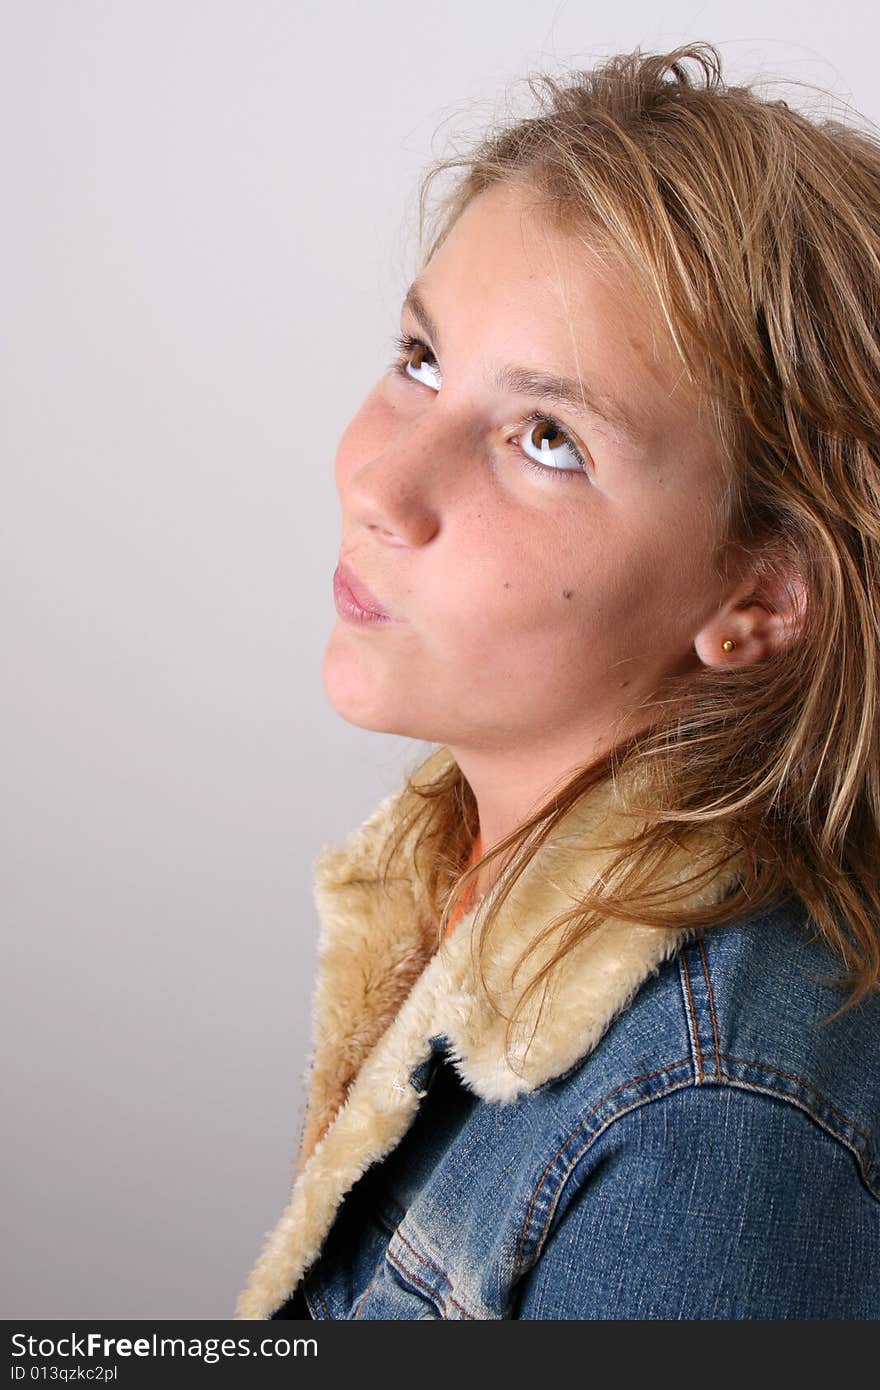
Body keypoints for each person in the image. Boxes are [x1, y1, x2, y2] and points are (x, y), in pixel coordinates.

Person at [235, 41, 880, 1320]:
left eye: (546, 439)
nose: (381, 485)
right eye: (420, 357)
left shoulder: (716, 1124)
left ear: (759, 597)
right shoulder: (461, 867)